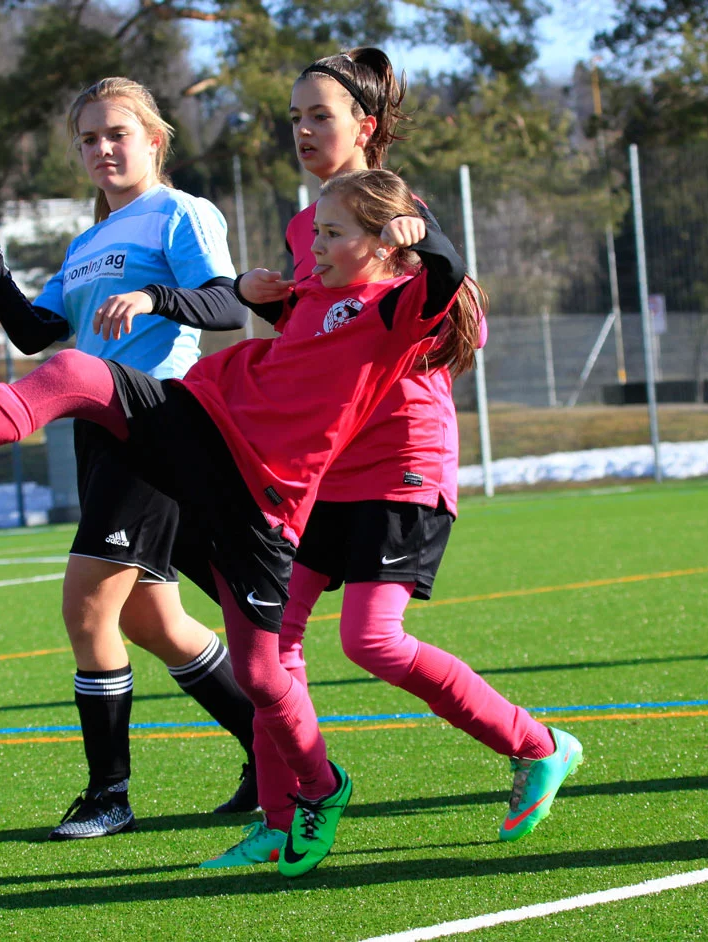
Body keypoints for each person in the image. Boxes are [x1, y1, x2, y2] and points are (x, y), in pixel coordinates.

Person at [0, 170, 579, 876]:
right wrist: (257, 295)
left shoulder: (400, 305)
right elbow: (244, 314)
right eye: (316, 231)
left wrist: (426, 233)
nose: (314, 246)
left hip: (267, 496)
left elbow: (448, 275)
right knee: (75, 374)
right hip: (204, 423)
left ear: (386, 243)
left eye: (331, 234)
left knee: (264, 674)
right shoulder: (320, 289)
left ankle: (323, 786)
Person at [196, 50, 578, 870]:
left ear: (364, 127)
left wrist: (424, 244)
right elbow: (307, 354)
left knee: (372, 642)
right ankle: (282, 814)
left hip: (400, 460)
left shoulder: (400, 212)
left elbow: (444, 307)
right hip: (322, 464)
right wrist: (267, 301)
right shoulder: (308, 227)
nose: (301, 130)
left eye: (319, 116)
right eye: (293, 116)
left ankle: (537, 743)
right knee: (272, 643)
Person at [0, 76, 260, 840]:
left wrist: (157, 300)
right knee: (157, 622)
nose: (102, 149)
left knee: (88, 607)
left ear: (154, 140)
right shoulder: (88, 243)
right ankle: (273, 745)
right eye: (89, 139)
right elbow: (33, 333)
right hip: (99, 431)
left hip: (156, 425)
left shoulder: (182, 213)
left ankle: (108, 796)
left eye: (116, 134)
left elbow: (226, 303)